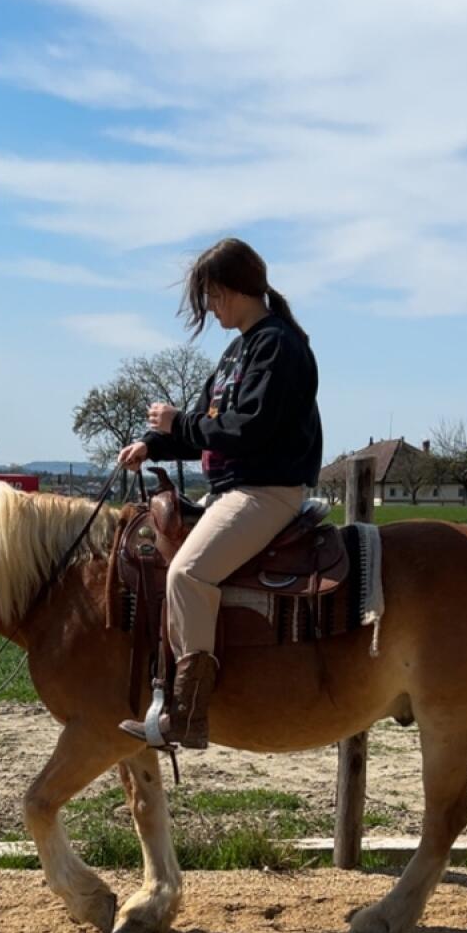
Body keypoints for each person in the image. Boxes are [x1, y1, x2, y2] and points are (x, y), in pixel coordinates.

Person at [118, 237, 322, 751]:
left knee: (188, 573)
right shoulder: (241, 349)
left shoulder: (277, 345)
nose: (210, 307)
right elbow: (207, 427)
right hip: (235, 489)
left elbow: (246, 429)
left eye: (211, 296)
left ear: (234, 289)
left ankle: (188, 714)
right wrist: (153, 443)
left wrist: (178, 422)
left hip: (265, 491)